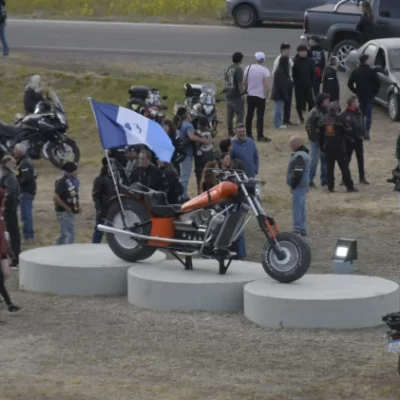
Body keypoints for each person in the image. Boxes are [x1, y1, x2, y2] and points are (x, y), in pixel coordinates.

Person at [319, 102, 357, 193]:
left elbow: (320, 135)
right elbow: (346, 132)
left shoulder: (323, 120)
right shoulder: (340, 119)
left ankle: (330, 187)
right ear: (337, 110)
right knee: (344, 167)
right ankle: (349, 186)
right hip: (339, 147)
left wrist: (322, 146)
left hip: (328, 147)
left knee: (329, 168)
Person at [176, 107, 211, 201]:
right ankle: (182, 196)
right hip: (187, 154)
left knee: (183, 175)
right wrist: (204, 141)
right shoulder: (188, 125)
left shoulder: (180, 124)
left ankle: (182, 194)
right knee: (185, 176)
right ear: (186, 115)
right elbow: (192, 137)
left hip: (181, 153)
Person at [0, 188, 23, 314]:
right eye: (4, 197)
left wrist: (8, 251)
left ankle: (8, 304)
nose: (6, 199)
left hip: (2, 250)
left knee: (5, 275)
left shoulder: (2, 213)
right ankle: (10, 305)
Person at [347, 54, 381, 140]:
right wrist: (374, 93)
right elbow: (378, 84)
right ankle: (366, 132)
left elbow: (349, 84)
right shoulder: (371, 71)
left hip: (360, 96)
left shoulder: (356, 71)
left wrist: (355, 91)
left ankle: (360, 132)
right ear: (366, 60)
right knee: (368, 116)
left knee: (360, 115)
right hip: (369, 97)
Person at [339, 95, 369, 185]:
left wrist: (365, 133)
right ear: (352, 103)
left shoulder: (359, 112)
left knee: (360, 159)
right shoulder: (344, 114)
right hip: (349, 141)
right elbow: (341, 128)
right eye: (357, 102)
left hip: (359, 139)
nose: (358, 103)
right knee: (347, 160)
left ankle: (362, 177)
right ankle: (344, 178)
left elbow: (361, 124)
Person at [244, 52, 271, 142]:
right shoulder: (265, 70)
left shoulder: (249, 67)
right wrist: (267, 96)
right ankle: (260, 135)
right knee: (260, 116)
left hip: (251, 94)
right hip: (261, 96)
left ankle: (248, 133)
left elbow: (245, 81)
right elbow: (266, 84)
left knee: (249, 115)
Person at [286, 136, 310, 237]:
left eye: (291, 144)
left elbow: (298, 173)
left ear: (297, 144)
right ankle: (303, 228)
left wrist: (293, 184)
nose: (290, 146)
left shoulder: (299, 156)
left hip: (299, 185)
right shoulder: (304, 154)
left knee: (297, 208)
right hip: (303, 185)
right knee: (302, 207)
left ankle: (297, 229)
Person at [306, 93, 330, 188]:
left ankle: (324, 179)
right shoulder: (314, 112)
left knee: (325, 160)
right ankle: (309, 180)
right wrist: (315, 138)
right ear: (322, 101)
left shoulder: (328, 111)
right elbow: (308, 126)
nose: (328, 102)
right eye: (327, 100)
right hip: (315, 140)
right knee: (314, 160)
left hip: (325, 139)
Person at [14, 143, 37, 243]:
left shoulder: (24, 163)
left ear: (20, 151)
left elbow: (26, 178)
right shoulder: (27, 161)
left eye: (15, 150)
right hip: (29, 191)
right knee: (26, 214)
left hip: (26, 192)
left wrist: (16, 183)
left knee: (26, 215)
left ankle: (28, 236)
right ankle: (29, 235)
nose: (14, 152)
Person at [0, 156, 20, 268]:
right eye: (13, 162)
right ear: (7, 163)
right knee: (13, 234)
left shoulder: (4, 174)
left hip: (6, 209)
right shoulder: (9, 176)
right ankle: (15, 258)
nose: (15, 164)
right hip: (9, 210)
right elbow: (10, 193)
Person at [53, 162, 79, 245]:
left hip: (69, 212)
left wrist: (78, 206)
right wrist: (66, 208)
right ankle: (68, 252)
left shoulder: (70, 181)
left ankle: (55, 247)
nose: (77, 172)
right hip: (63, 212)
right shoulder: (62, 182)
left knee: (64, 234)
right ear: (70, 172)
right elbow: (56, 198)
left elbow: (73, 195)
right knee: (70, 234)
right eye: (75, 170)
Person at [92, 157, 115, 244]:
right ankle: (95, 246)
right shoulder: (100, 179)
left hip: (112, 208)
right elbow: (96, 195)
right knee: (99, 230)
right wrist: (99, 209)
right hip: (103, 209)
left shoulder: (113, 178)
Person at [272, 43, 294, 125]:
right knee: (280, 103)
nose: (289, 51)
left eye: (289, 49)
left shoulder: (289, 59)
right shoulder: (279, 60)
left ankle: (286, 119)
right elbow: (274, 72)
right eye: (287, 50)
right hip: (283, 83)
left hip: (289, 82)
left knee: (288, 102)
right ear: (283, 50)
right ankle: (279, 121)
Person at [292, 45, 315, 124]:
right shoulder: (294, 61)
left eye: (304, 51)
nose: (303, 53)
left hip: (308, 85)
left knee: (311, 101)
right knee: (298, 102)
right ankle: (300, 116)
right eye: (301, 51)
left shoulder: (310, 61)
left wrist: (311, 83)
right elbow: (293, 74)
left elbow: (312, 73)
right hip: (298, 86)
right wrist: (295, 83)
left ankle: (311, 116)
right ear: (298, 52)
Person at [224, 51, 245, 137]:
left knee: (230, 114)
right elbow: (240, 83)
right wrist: (242, 93)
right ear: (240, 59)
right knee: (240, 114)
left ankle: (230, 131)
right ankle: (239, 131)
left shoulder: (228, 68)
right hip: (236, 95)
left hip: (228, 93)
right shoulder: (238, 69)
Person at [194, 116, 215, 194]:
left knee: (199, 175)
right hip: (210, 154)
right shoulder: (211, 131)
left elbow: (197, 144)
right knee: (209, 174)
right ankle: (209, 192)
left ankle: (200, 192)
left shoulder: (197, 132)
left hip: (200, 156)